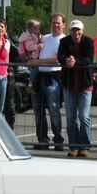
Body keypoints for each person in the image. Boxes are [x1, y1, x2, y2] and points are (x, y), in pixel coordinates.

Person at [57, 19, 95, 157]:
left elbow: (89, 59)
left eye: (78, 29)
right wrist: (66, 60)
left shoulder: (89, 42)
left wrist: (75, 62)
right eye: (73, 29)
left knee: (84, 116)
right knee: (71, 117)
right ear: (70, 31)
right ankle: (73, 147)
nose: (76, 32)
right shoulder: (64, 42)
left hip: (85, 85)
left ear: (82, 31)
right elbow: (60, 56)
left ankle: (84, 147)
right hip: (68, 84)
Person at [29, 13, 66, 151]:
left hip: (53, 76)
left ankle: (58, 140)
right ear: (50, 24)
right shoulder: (44, 38)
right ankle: (43, 140)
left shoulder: (64, 40)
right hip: (39, 75)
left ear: (63, 25)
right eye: (53, 22)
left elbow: (58, 58)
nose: (56, 25)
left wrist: (38, 61)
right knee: (38, 111)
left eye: (58, 23)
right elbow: (34, 53)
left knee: (53, 109)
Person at [17, 19, 42, 93]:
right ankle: (30, 85)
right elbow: (29, 47)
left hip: (32, 56)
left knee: (36, 70)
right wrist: (38, 46)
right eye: (37, 28)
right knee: (35, 69)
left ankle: (32, 85)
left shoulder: (33, 35)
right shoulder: (28, 37)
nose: (39, 30)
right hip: (31, 57)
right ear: (31, 28)